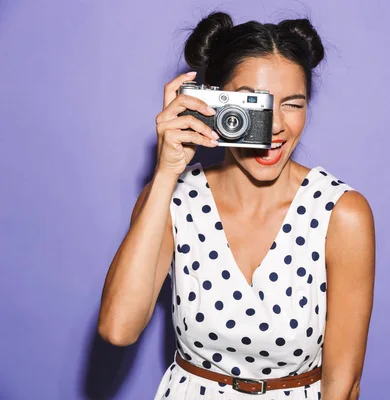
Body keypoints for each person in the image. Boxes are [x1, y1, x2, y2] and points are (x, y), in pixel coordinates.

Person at [98, 11, 375, 400]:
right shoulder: (174, 199)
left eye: (292, 104)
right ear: (212, 102)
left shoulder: (341, 214)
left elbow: (343, 384)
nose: (275, 126)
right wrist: (165, 174)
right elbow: (118, 329)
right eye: (253, 105)